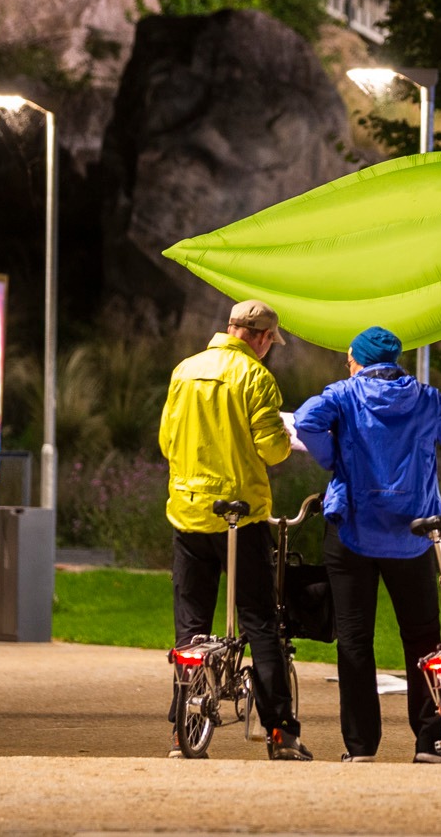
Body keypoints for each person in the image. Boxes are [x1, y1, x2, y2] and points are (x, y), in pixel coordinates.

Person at [294, 326, 441, 763]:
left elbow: (306, 420)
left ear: (358, 360)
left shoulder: (342, 395)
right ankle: (431, 740)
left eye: (349, 358)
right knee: (423, 639)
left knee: (354, 639)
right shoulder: (425, 399)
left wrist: (330, 458)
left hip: (352, 531)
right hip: (415, 532)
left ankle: (361, 748)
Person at [158, 299, 310, 761]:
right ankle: (280, 733)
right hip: (240, 519)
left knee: (191, 626)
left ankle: (184, 723)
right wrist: (285, 439)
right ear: (261, 337)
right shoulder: (256, 377)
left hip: (187, 513)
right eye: (270, 342)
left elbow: (167, 439)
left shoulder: (184, 370)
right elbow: (272, 450)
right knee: (261, 622)